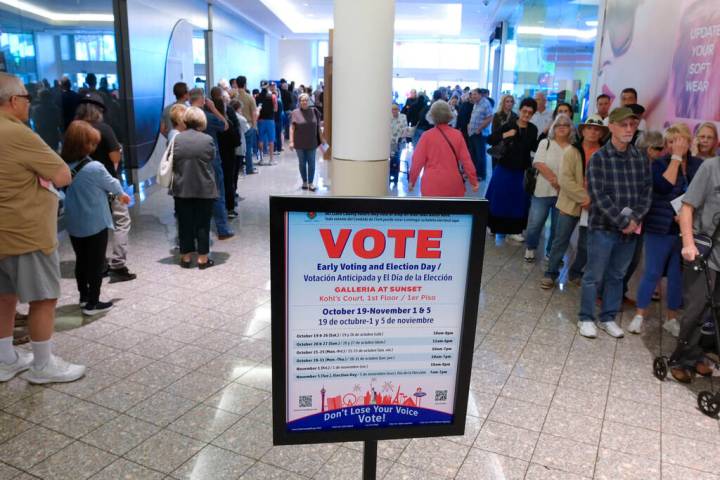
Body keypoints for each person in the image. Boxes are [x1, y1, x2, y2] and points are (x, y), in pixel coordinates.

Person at [0, 72, 85, 384]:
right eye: (25, 97)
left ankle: (5, 358)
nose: (28, 102)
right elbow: (62, 175)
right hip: (26, 231)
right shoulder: (17, 133)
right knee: (43, 299)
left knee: (3, 297)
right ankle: (42, 365)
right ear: (12, 101)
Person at [577, 107, 652, 339]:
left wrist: (635, 218)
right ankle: (586, 318)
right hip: (603, 228)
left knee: (617, 276)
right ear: (611, 127)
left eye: (632, 124)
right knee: (593, 275)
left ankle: (607, 317)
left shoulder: (640, 157)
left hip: (630, 230)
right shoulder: (599, 158)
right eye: (623, 125)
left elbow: (647, 191)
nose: (629, 129)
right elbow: (598, 195)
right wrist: (622, 221)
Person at [628, 124, 703, 335]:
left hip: (684, 230)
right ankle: (639, 315)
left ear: (689, 141)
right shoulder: (659, 164)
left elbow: (703, 195)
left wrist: (689, 217)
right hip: (659, 227)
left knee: (676, 276)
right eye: (670, 142)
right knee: (652, 272)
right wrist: (676, 158)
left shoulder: (698, 165)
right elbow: (664, 186)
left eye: (679, 141)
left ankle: (671, 318)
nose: (674, 145)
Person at [62, 121, 131, 315]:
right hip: (94, 221)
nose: (93, 147)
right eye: (92, 144)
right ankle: (93, 303)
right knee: (96, 262)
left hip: (74, 221)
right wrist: (122, 195)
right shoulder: (95, 167)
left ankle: (84, 297)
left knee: (81, 260)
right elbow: (113, 184)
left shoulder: (63, 164)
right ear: (84, 145)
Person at [75, 92, 137, 282]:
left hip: (82, 186)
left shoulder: (74, 129)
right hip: (107, 183)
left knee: (96, 226)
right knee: (121, 221)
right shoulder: (104, 129)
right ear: (99, 110)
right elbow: (115, 158)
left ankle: (98, 265)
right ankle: (118, 265)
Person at [668, 156, 720, 382]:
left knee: (715, 313)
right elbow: (687, 208)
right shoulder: (711, 167)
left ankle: (698, 355)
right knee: (697, 309)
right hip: (704, 252)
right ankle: (681, 359)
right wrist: (688, 243)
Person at [541, 115, 608, 289]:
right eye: (589, 128)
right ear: (583, 131)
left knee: (586, 244)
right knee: (560, 240)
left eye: (597, 129)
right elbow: (565, 180)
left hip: (593, 206)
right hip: (571, 202)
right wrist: (585, 198)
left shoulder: (605, 153)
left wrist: (593, 201)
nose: (593, 132)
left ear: (601, 133)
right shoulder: (572, 151)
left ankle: (576, 272)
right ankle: (550, 274)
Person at [171, 107, 218, 269]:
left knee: (184, 223)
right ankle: (203, 259)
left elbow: (173, 159)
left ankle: (185, 258)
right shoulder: (207, 139)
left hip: (181, 187)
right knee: (203, 223)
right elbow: (212, 157)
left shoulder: (177, 139)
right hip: (204, 187)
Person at [486, 97, 539, 240]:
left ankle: (515, 230)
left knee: (518, 200)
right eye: (524, 111)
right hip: (504, 167)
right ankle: (493, 226)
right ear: (520, 110)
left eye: (530, 112)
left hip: (521, 170)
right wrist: (506, 134)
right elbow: (490, 139)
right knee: (499, 198)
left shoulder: (533, 129)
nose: (527, 115)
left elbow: (534, 147)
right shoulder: (509, 124)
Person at [524, 114, 575, 263]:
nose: (562, 128)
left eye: (565, 125)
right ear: (553, 127)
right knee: (535, 223)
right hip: (542, 191)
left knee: (558, 228)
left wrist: (563, 185)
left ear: (570, 129)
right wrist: (555, 180)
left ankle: (550, 252)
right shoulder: (545, 143)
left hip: (564, 194)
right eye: (558, 125)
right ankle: (531, 248)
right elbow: (538, 163)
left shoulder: (573, 147)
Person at [189, 88, 234, 239]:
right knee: (216, 193)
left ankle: (196, 230)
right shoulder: (208, 116)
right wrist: (214, 108)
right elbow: (225, 125)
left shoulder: (185, 117)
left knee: (195, 196)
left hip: (191, 160)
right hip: (211, 159)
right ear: (202, 100)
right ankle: (222, 229)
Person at [408, 100, 479, 197]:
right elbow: (466, 160)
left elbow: (417, 161)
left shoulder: (426, 136)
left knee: (432, 211)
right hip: (453, 182)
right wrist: (473, 181)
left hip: (431, 184)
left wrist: (412, 180)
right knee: (452, 211)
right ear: (449, 115)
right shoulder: (457, 135)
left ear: (432, 116)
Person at [212, 87, 241, 218]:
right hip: (228, 152)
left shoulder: (207, 113)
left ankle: (215, 207)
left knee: (215, 180)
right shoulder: (228, 113)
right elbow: (236, 131)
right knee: (228, 179)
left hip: (213, 151)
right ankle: (229, 207)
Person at [289, 93, 326, 191]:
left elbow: (318, 126)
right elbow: (292, 128)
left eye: (306, 100)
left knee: (312, 163)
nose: (304, 102)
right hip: (299, 143)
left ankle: (311, 182)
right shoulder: (295, 113)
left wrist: (322, 138)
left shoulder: (315, 111)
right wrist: (291, 141)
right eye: (302, 100)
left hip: (312, 142)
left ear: (309, 101)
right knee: (302, 163)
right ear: (299, 102)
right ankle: (304, 181)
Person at [467, 88, 493, 181]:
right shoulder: (476, 103)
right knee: (473, 154)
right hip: (472, 132)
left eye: (475, 94)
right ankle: (473, 173)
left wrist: (480, 128)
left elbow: (490, 118)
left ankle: (481, 175)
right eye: (472, 94)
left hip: (480, 133)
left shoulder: (485, 103)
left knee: (480, 155)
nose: (473, 96)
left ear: (480, 95)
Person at [235, 76, 259, 174]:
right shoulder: (250, 98)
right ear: (245, 84)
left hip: (236, 126)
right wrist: (254, 126)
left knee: (237, 147)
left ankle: (239, 168)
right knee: (248, 148)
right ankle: (249, 168)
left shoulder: (234, 97)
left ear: (236, 84)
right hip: (248, 125)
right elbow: (254, 113)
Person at [256, 83, 276, 165]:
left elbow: (256, 108)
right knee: (271, 140)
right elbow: (275, 109)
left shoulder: (257, 96)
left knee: (260, 139)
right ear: (267, 86)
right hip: (270, 120)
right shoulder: (272, 96)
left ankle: (261, 159)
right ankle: (271, 160)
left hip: (260, 120)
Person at [390, 103, 408, 184]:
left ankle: (396, 178)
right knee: (392, 159)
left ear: (399, 109)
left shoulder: (403, 117)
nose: (394, 111)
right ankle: (391, 175)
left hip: (399, 142)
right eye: (392, 109)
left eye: (396, 109)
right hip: (390, 142)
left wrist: (402, 136)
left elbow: (405, 128)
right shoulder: (388, 117)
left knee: (397, 159)